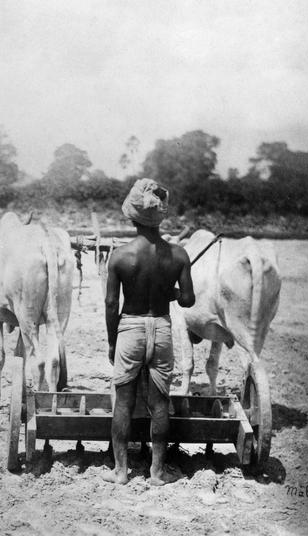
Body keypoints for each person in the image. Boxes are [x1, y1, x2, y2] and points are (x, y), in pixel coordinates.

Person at [102, 178, 195, 486]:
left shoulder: (119, 256)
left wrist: (113, 341)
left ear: (132, 217)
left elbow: (111, 304)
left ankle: (121, 471)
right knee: (159, 403)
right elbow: (188, 299)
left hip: (130, 328)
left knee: (124, 402)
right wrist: (170, 293)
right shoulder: (178, 254)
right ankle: (156, 471)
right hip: (163, 328)